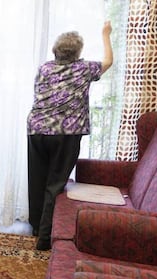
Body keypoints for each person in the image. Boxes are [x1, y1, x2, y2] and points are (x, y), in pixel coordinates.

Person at [27, 21, 113, 250]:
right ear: (78, 52)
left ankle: (36, 227)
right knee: (55, 184)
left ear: (56, 50)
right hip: (66, 133)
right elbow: (108, 62)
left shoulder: (45, 68)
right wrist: (105, 34)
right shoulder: (84, 69)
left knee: (38, 180)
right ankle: (45, 238)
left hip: (37, 130)